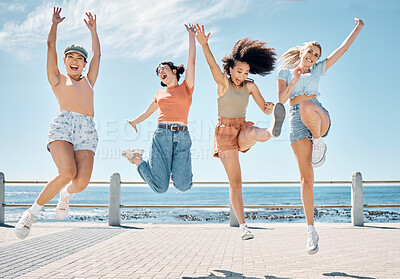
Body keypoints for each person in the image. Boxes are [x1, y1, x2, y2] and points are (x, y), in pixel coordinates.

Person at [277, 18, 364, 254]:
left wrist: (357, 28)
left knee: (306, 106)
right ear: (303, 51)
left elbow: (342, 50)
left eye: (316, 55)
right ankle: (311, 231)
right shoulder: (285, 72)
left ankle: (319, 142)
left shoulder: (318, 69)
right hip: (296, 122)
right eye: (311, 52)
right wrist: (294, 79)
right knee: (306, 180)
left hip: (317, 114)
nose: (313, 57)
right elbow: (282, 99)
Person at [193, 24, 285, 240]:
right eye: (239, 71)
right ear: (231, 69)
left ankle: (272, 130)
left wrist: (269, 109)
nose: (242, 76)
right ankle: (244, 227)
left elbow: (263, 107)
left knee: (253, 132)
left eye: (246, 72)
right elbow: (212, 65)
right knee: (236, 181)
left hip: (241, 126)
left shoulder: (250, 86)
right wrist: (204, 45)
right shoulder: (223, 83)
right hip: (224, 132)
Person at [15, 7, 101, 239]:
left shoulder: (89, 81)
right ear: (65, 61)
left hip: (87, 130)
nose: (75, 61)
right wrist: (54, 24)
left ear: (83, 65)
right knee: (67, 171)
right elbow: (50, 47)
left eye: (79, 59)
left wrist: (94, 31)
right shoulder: (57, 79)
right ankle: (31, 214)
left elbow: (97, 55)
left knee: (80, 183)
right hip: (64, 125)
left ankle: (65, 196)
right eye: (70, 57)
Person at [122, 24, 196, 195]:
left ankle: (141, 160)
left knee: (184, 185)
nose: (160, 71)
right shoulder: (159, 93)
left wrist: (191, 37)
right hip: (162, 135)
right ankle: (137, 160)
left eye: (163, 68)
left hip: (182, 135)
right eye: (158, 71)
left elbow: (191, 61)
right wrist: (134, 122)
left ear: (174, 71)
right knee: (160, 187)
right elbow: (148, 112)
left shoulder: (186, 87)